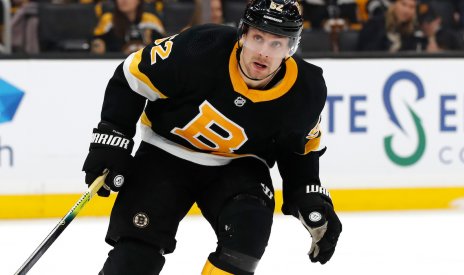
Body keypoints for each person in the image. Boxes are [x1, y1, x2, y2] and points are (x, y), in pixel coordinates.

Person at [82, 0, 342, 274]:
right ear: (242, 33)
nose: (263, 52)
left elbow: (298, 149)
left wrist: (307, 193)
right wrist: (113, 135)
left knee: (245, 240)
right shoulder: (200, 46)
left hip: (239, 167)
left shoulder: (306, 89)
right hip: (165, 154)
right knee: (136, 255)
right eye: (257, 38)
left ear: (291, 48)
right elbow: (131, 78)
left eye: (277, 44)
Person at [90, 0, 165, 55]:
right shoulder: (108, 19)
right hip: (115, 64)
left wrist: (150, 43)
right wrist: (98, 44)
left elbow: (165, 46)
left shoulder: (151, 20)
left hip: (146, 65)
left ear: (139, 1)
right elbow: (96, 40)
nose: (124, 1)